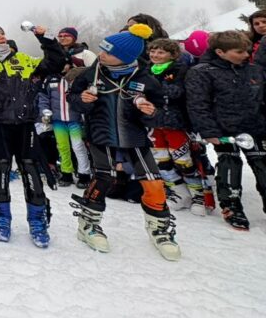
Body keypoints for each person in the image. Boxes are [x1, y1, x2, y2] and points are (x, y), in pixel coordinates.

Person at [68, 24, 180, 260]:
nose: (101, 55)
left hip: (135, 137)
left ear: (125, 57)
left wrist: (150, 113)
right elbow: (73, 98)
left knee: (153, 181)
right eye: (102, 49)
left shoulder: (145, 78)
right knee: (104, 178)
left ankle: (159, 229)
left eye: (108, 52)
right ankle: (88, 224)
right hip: (101, 134)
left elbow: (161, 111)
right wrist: (82, 100)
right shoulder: (92, 73)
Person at [0, 22, 66, 247]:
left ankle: (37, 220)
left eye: (2, 33)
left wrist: (46, 38)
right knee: (0, 170)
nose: (1, 36)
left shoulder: (23, 60)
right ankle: (2, 219)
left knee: (31, 170)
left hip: (24, 125)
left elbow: (56, 63)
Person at [185, 30, 266, 230]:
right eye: (239, 52)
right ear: (220, 52)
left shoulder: (254, 70)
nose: (245, 55)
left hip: (255, 126)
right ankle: (231, 205)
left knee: (262, 164)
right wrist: (209, 131)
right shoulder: (202, 72)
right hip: (223, 129)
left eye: (247, 51)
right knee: (230, 164)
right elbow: (198, 104)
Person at [144, 38, 204, 211]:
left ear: (172, 54)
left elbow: (176, 92)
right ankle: (179, 192)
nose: (155, 55)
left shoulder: (180, 69)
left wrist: (152, 88)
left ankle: (198, 195)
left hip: (175, 122)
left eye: (161, 52)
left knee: (183, 160)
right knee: (161, 160)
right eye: (153, 51)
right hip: (152, 122)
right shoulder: (145, 69)